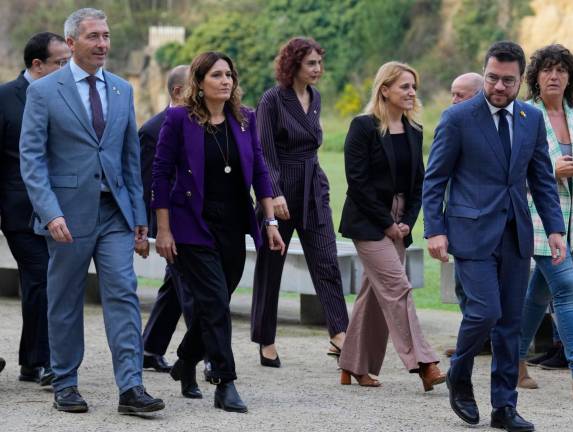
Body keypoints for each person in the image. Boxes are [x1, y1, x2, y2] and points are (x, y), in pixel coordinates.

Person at [19, 8, 164, 414]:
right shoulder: (44, 91)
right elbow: (32, 159)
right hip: (66, 216)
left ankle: (131, 388)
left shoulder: (121, 89)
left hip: (115, 215)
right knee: (64, 300)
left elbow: (130, 159)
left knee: (124, 294)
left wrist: (139, 219)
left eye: (106, 36)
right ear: (71, 42)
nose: (102, 44)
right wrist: (50, 212)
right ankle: (65, 382)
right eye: (93, 37)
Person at [423, 41, 567, 431]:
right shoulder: (458, 118)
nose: (499, 87)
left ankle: (504, 407)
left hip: (516, 233)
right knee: (485, 311)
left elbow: (541, 179)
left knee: (510, 325)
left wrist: (555, 228)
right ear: (483, 73)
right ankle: (459, 372)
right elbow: (435, 179)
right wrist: (434, 230)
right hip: (470, 233)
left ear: (522, 80)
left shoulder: (531, 119)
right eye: (492, 78)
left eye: (507, 80)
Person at [152, 51, 285, 413]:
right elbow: (161, 174)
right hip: (191, 224)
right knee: (213, 302)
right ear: (199, 82)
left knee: (216, 303)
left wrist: (270, 221)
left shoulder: (245, 119)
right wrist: (163, 230)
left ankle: (184, 361)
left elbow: (259, 169)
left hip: (233, 225)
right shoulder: (179, 119)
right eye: (216, 75)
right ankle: (224, 381)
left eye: (229, 75)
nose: (226, 81)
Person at [337, 61, 446, 391]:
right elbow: (357, 182)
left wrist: (406, 222)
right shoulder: (363, 127)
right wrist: (387, 224)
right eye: (404, 86)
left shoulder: (414, 131)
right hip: (369, 222)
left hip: (399, 221)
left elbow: (418, 184)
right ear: (384, 89)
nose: (412, 92)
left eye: (414, 86)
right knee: (399, 288)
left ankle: (351, 365)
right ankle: (424, 363)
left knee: (373, 294)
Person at [512, 44, 573, 404]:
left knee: (538, 293)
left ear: (571, 77)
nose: (555, 76)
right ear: (536, 77)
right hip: (537, 217)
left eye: (562, 70)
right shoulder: (523, 114)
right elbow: (513, 172)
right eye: (548, 70)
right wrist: (553, 171)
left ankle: (515, 360)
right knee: (567, 288)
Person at [251, 37, 348, 366]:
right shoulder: (272, 100)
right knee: (271, 266)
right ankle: (266, 339)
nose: (317, 69)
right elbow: (263, 152)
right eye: (310, 63)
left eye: (320, 62)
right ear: (293, 65)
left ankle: (339, 334)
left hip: (313, 188)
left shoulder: (316, 97)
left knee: (327, 260)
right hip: (278, 192)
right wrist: (274, 194)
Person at [0, 32, 70, 387]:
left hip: (60, 208)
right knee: (41, 277)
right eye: (60, 62)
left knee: (44, 282)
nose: (66, 68)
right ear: (36, 64)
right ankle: (39, 361)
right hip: (19, 211)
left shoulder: (66, 95)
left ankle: (33, 361)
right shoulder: (4, 98)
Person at [138, 65, 192, 373]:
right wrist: (151, 230)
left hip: (196, 219)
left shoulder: (203, 124)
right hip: (170, 224)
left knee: (176, 286)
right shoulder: (152, 130)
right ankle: (212, 357)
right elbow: (148, 184)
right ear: (177, 92)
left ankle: (149, 348)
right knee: (193, 291)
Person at [443, 72, 487, 359]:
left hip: (486, 220)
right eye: (452, 93)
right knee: (462, 286)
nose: (454, 100)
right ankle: (475, 341)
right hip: (458, 219)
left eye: (461, 94)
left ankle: (484, 339)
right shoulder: (451, 122)